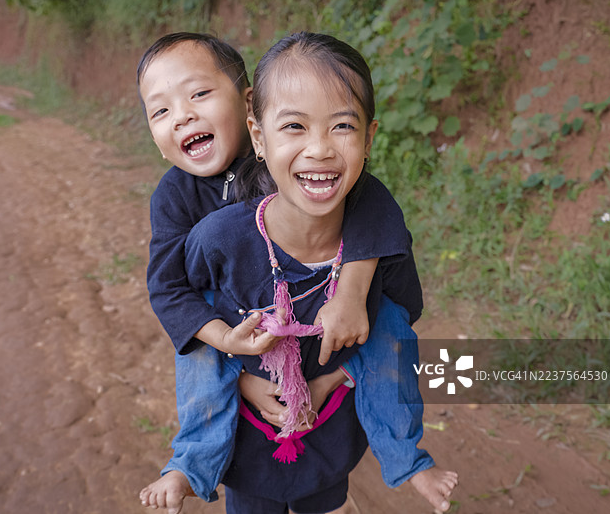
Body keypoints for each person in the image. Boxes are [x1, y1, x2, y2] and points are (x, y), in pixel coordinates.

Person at [137, 32, 458, 513]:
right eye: (160, 111)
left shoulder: (293, 163)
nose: (182, 114)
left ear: (249, 109)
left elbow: (369, 201)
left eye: (199, 94)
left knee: (388, 332)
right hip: (234, 341)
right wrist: (229, 354)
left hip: (320, 346)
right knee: (198, 350)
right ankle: (191, 461)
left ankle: (407, 458)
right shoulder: (179, 199)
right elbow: (169, 290)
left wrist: (350, 291)